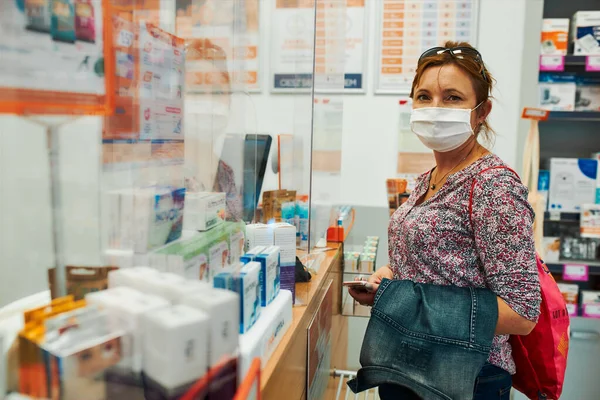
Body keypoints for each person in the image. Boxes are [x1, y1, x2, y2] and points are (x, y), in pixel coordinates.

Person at [348, 41, 541, 400]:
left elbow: (522, 312)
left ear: (481, 111)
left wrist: (399, 300)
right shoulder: (428, 178)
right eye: (424, 96)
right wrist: (386, 279)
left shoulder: (493, 184)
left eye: (452, 97)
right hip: (408, 364)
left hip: (466, 377)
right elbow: (434, 267)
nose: (435, 108)